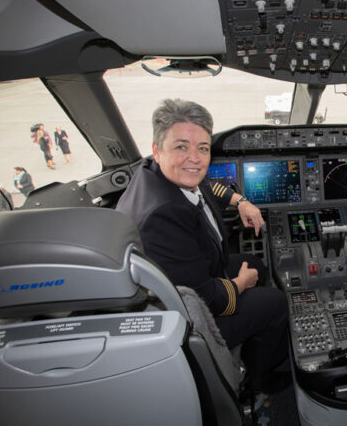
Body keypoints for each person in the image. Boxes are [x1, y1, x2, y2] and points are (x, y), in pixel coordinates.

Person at [115, 98, 289, 393]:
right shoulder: (163, 218)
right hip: (193, 318)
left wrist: (239, 201)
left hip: (195, 273)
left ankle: (252, 337)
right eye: (181, 147)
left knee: (255, 264)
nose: (195, 159)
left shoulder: (154, 172)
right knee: (275, 303)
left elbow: (208, 184)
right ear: (157, 149)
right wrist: (241, 284)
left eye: (203, 148)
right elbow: (207, 299)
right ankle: (256, 380)